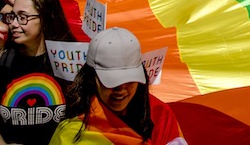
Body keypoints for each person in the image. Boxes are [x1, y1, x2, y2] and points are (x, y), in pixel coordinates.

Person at [0, 0, 77, 145]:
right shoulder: (1, 62)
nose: (13, 24)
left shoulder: (71, 60)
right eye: (12, 16)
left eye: (22, 17)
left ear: (45, 18)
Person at [50, 28, 186, 145]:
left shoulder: (159, 115)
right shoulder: (70, 134)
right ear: (92, 78)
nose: (121, 90)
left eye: (130, 81)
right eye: (111, 82)